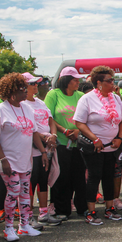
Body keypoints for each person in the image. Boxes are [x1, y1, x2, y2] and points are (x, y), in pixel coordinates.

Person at [0, 73, 48, 241]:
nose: (26, 92)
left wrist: (43, 152)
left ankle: (24, 225)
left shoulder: (27, 108)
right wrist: (3, 159)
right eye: (22, 89)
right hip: (8, 159)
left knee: (24, 192)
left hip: (25, 158)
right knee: (13, 191)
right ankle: (8, 228)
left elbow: (34, 132)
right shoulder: (0, 110)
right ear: (12, 91)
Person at [74, 66, 122, 224]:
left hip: (112, 146)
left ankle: (110, 208)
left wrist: (120, 137)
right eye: (109, 81)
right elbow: (79, 122)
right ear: (98, 83)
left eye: (113, 80)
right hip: (95, 146)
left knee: (109, 177)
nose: (113, 83)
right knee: (94, 177)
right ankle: (90, 211)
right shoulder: (87, 99)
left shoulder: (116, 98)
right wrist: (95, 139)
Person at [21, 72, 62, 226]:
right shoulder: (22, 104)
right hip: (32, 148)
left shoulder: (40, 102)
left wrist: (53, 135)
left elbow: (50, 120)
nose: (35, 86)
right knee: (31, 181)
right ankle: (29, 215)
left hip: (47, 146)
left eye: (36, 83)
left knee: (43, 180)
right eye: (31, 83)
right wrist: (44, 138)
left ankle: (43, 213)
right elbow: (28, 127)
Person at [45, 67, 86, 220]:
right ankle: (62, 209)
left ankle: (82, 207)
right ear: (66, 81)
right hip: (61, 142)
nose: (78, 82)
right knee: (62, 177)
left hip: (79, 141)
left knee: (79, 177)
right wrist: (64, 131)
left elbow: (85, 117)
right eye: (75, 79)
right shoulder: (53, 94)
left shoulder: (80, 96)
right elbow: (49, 116)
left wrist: (78, 132)